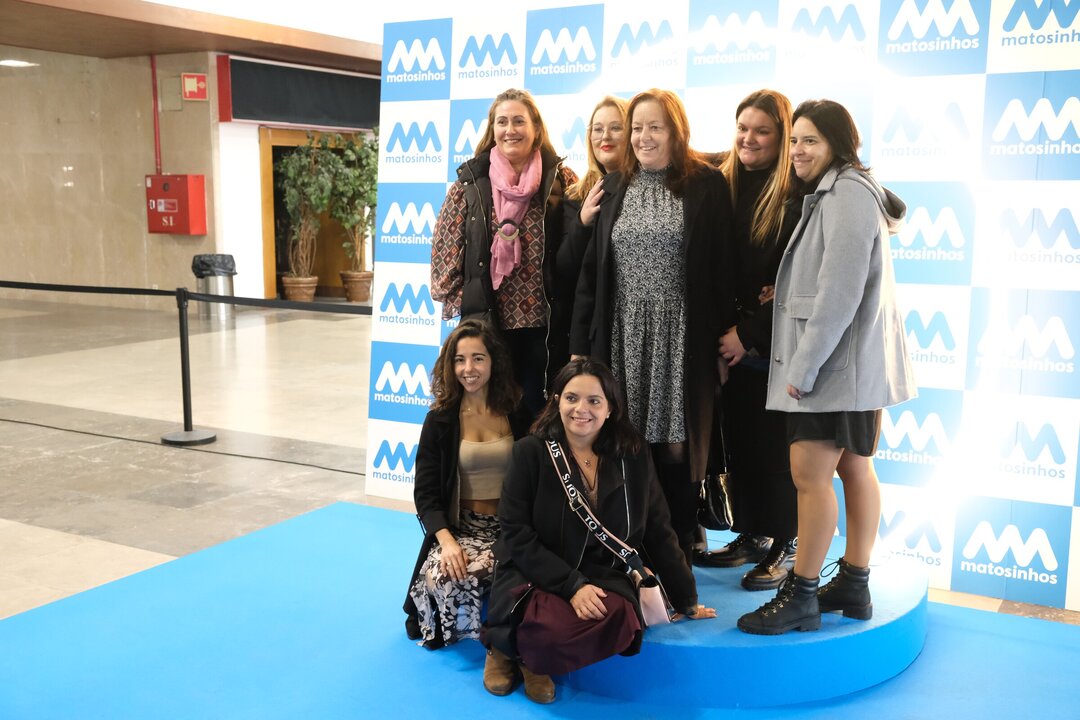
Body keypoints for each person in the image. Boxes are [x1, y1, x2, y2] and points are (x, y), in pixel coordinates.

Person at [737, 100, 916, 635]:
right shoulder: (843, 190)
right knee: (854, 468)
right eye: (794, 140)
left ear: (838, 143)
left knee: (809, 477)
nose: (796, 151)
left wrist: (804, 366)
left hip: (834, 366)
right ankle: (854, 584)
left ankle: (803, 594)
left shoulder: (847, 195)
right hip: (851, 366)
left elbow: (839, 293)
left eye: (809, 140)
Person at [482, 358, 716, 703]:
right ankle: (507, 651)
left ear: (610, 409)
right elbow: (516, 533)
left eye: (594, 400)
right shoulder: (529, 452)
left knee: (624, 617)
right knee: (550, 623)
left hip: (602, 572)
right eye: (571, 398)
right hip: (538, 568)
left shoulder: (633, 454)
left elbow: (658, 526)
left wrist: (686, 597)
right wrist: (571, 586)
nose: (582, 409)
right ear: (557, 401)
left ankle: (528, 652)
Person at [570, 88, 736, 569]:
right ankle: (631, 546)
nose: (643, 137)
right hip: (620, 335)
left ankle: (679, 547)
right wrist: (580, 351)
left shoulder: (706, 185)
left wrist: (722, 344)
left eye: (654, 127)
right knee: (624, 442)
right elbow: (592, 275)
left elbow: (723, 272)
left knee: (676, 449)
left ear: (676, 131)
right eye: (637, 127)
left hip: (680, 338)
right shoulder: (614, 185)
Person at [696, 90, 801, 592]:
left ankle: (787, 541)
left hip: (774, 344)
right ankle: (754, 531)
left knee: (777, 450)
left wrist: (750, 332)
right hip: (731, 340)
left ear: (783, 137)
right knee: (742, 443)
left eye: (762, 131)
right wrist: (725, 338)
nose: (749, 139)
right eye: (742, 128)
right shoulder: (725, 181)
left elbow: (796, 282)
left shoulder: (797, 195)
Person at [431, 88, 579, 418]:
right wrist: (473, 304)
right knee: (494, 419)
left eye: (518, 121)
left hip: (548, 330)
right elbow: (443, 261)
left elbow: (580, 253)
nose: (510, 129)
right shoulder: (470, 184)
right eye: (502, 122)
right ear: (492, 129)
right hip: (489, 328)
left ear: (536, 128)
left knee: (542, 418)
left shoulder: (562, 180)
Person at [403, 319, 530, 649]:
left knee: (494, 574)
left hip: (512, 528)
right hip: (462, 529)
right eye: (460, 360)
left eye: (478, 358)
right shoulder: (440, 419)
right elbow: (425, 494)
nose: (468, 368)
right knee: (445, 577)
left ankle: (498, 633)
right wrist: (446, 542)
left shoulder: (517, 410)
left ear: (493, 361)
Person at [554, 95, 629, 365]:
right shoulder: (577, 193)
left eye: (615, 127)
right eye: (598, 129)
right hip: (591, 328)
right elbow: (564, 267)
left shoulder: (645, 190)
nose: (605, 136)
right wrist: (583, 223)